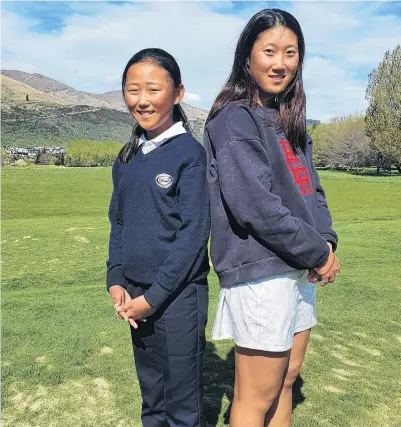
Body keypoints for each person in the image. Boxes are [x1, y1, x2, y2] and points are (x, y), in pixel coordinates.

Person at [203, 9, 340, 427]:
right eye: (269, 51)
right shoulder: (234, 119)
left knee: (287, 380)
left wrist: (327, 241)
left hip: (297, 267)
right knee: (255, 395)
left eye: (291, 52)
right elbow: (256, 207)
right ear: (248, 56)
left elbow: (312, 189)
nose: (280, 62)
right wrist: (317, 253)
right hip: (260, 271)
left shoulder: (290, 121)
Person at [106, 48, 210, 427]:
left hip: (178, 297)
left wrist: (153, 298)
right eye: (133, 90)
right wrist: (116, 277)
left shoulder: (190, 155)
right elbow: (118, 222)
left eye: (153, 89)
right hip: (135, 295)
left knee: (182, 405)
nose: (142, 100)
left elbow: (193, 235)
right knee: (152, 397)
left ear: (178, 93)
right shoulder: (128, 158)